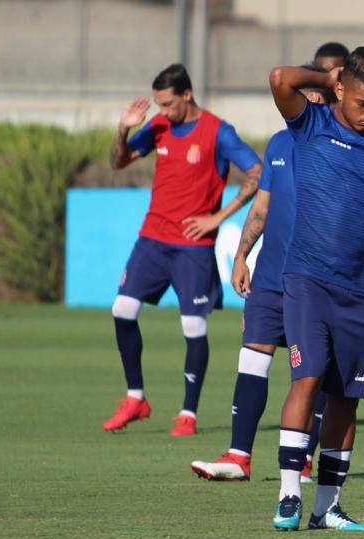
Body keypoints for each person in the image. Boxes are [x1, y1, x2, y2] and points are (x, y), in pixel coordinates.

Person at [267, 47, 364, 532]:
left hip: (361, 290)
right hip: (307, 279)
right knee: (306, 380)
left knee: (347, 396)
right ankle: (289, 494)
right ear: (341, 89)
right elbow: (280, 77)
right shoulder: (311, 124)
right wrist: (327, 77)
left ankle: (327, 507)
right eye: (362, 102)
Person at [189, 73, 335, 481]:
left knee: (311, 373)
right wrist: (240, 255)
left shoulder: (336, 147)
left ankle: (304, 457)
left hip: (314, 280)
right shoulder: (279, 143)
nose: (306, 107)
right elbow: (262, 207)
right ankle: (239, 457)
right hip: (270, 278)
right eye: (302, 99)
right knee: (251, 360)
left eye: (315, 100)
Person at [103, 63, 261, 436]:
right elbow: (118, 162)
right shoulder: (158, 126)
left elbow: (256, 172)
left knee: (193, 325)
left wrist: (217, 217)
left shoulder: (218, 132)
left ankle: (188, 413)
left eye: (168, 104)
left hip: (193, 246)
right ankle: (135, 397)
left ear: (186, 95)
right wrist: (123, 129)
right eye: (158, 104)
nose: (163, 112)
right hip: (153, 238)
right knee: (122, 309)